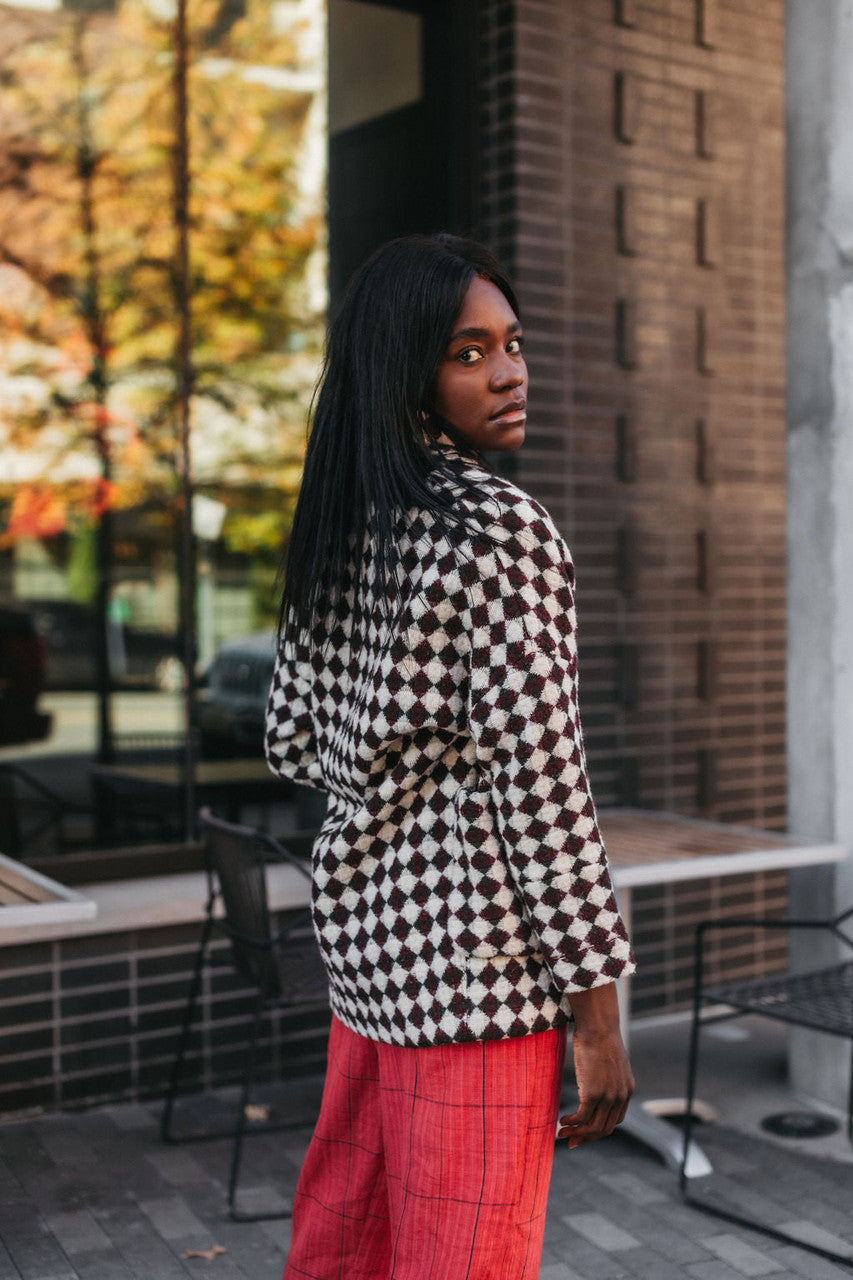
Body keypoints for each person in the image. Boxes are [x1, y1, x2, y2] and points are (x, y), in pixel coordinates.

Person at [265, 233, 636, 1280]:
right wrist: (597, 1016)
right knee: (462, 1258)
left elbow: (292, 733)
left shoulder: (345, 524)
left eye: (512, 343)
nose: (510, 371)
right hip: (476, 975)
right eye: (466, 352)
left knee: (350, 1245)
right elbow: (543, 788)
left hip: (369, 960)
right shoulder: (496, 531)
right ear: (407, 368)